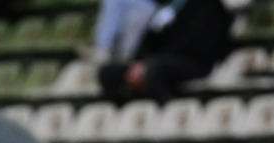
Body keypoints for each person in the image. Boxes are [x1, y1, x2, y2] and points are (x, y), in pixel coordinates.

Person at [97, 0, 233, 103]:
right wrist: (138, 63)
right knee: (109, 72)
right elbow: (149, 37)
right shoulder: (171, 5)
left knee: (155, 70)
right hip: (157, 61)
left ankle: (162, 118)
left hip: (194, 63)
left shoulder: (209, 5)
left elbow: (196, 44)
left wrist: (147, 65)